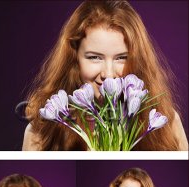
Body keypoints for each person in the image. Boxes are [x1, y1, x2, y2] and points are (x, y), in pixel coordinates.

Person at [22, 0, 188, 151]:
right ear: (74, 59)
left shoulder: (168, 123)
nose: (108, 75)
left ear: (138, 61)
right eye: (94, 57)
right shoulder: (42, 131)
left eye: (121, 58)